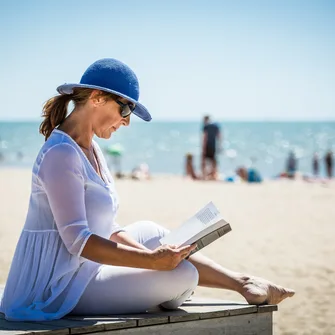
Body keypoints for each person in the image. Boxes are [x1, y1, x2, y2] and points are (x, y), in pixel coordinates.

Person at [0, 58, 294, 322]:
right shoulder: (62, 154)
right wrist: (151, 262)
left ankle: (242, 282)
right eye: (125, 108)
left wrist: (152, 256)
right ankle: (176, 288)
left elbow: (107, 227)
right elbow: (79, 241)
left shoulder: (92, 149)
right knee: (184, 275)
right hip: (59, 283)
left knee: (153, 232)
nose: (126, 121)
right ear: (96, 98)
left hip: (85, 267)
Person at [201, 115, 221, 180]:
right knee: (213, 161)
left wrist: (203, 148)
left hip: (207, 146)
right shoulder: (215, 125)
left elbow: (205, 137)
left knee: (204, 160)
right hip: (213, 145)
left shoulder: (206, 126)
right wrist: (219, 145)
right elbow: (219, 136)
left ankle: (204, 175)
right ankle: (214, 175)